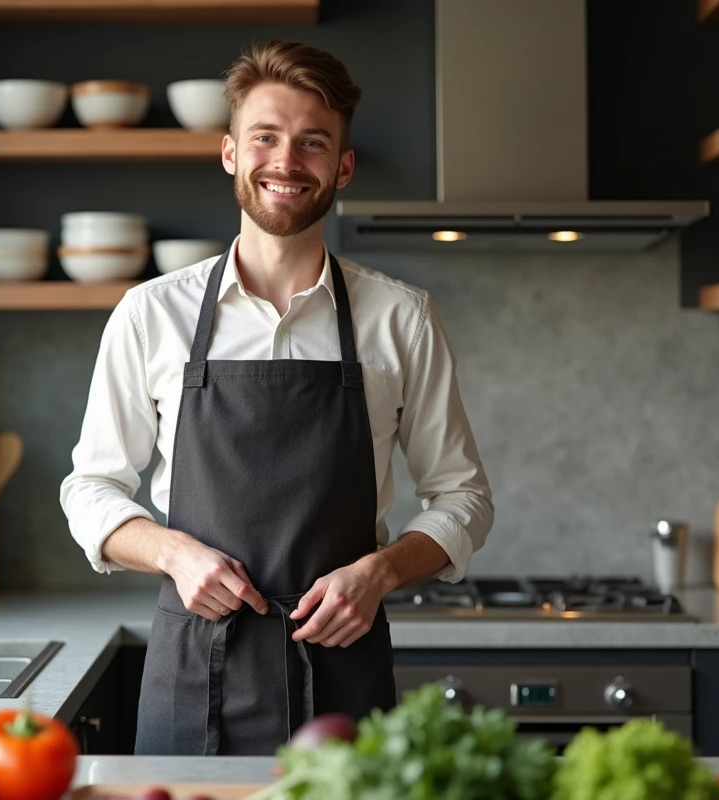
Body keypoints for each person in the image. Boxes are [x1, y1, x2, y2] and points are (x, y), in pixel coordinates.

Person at [59, 39, 493, 756]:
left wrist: (379, 572)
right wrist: (174, 553)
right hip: (193, 674)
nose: (286, 162)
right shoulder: (151, 313)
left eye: (312, 144)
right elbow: (91, 488)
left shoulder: (400, 317)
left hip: (345, 675)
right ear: (231, 152)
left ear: (342, 167)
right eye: (265, 138)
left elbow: (464, 497)